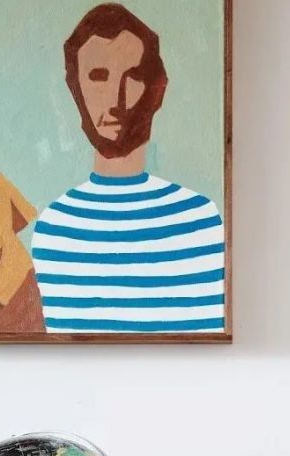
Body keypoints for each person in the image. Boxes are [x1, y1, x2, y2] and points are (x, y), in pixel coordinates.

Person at [31, 3, 225, 335]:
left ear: (156, 89)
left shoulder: (200, 221)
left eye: (133, 76)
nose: (115, 99)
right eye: (98, 76)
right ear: (75, 88)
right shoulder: (54, 229)